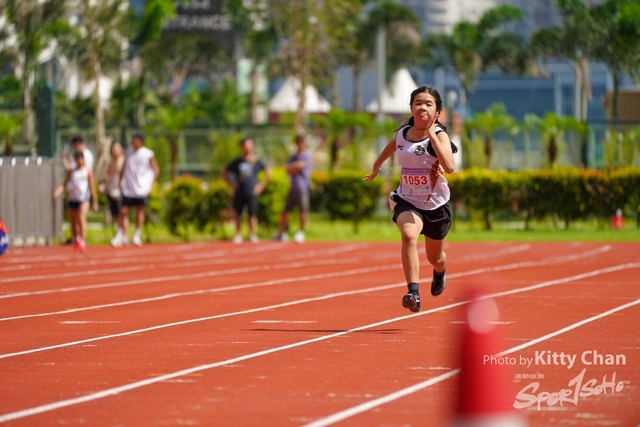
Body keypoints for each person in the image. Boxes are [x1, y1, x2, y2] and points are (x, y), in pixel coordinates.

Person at [364, 86, 457, 312]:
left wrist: (432, 136)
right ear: (411, 108)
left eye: (428, 104)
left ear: (437, 111)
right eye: (418, 103)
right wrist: (377, 165)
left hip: (435, 205)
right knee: (408, 235)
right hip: (407, 200)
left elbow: (450, 167)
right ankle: (413, 293)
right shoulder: (403, 134)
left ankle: (440, 270)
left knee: (434, 257)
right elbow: (392, 147)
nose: (422, 107)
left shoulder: (440, 136)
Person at [111, 133, 159, 247]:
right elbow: (118, 155)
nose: (132, 141)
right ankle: (120, 234)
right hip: (128, 188)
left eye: (134, 139)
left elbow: (156, 169)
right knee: (123, 211)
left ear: (140, 141)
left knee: (139, 211)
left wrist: (152, 184)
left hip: (141, 189)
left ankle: (137, 235)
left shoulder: (148, 153)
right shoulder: (128, 152)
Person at [222, 137, 272, 244]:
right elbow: (224, 171)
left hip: (251, 192)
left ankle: (252, 234)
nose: (248, 147)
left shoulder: (256, 161)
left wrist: (261, 185)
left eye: (250, 145)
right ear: (242, 147)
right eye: (246, 145)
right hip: (239, 192)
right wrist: (231, 185)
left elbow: (268, 172)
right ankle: (238, 234)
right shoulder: (237, 161)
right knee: (238, 213)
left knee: (252, 214)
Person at [53, 151, 99, 252]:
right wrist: (58, 191)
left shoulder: (87, 171)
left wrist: (95, 202)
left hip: (83, 199)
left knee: (81, 218)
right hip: (72, 198)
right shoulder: (72, 171)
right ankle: (77, 239)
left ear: (83, 159)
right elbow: (64, 183)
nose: (79, 161)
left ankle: (82, 241)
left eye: (80, 159)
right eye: (77, 159)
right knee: (73, 222)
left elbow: (92, 187)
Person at [277, 134, 311, 243]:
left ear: (304, 144)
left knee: (303, 211)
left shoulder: (306, 156)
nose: (300, 145)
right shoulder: (292, 157)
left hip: (303, 188)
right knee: (285, 212)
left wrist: (294, 167)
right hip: (292, 188)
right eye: (298, 143)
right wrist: (295, 166)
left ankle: (301, 232)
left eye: (301, 143)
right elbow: (287, 169)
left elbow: (301, 166)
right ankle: (282, 233)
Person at [99, 142, 125, 227]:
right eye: (113, 149)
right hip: (112, 190)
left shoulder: (124, 161)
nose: (114, 151)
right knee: (116, 214)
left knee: (123, 213)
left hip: (121, 191)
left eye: (116, 149)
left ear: (121, 150)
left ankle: (124, 232)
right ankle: (120, 231)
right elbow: (107, 175)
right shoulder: (110, 161)